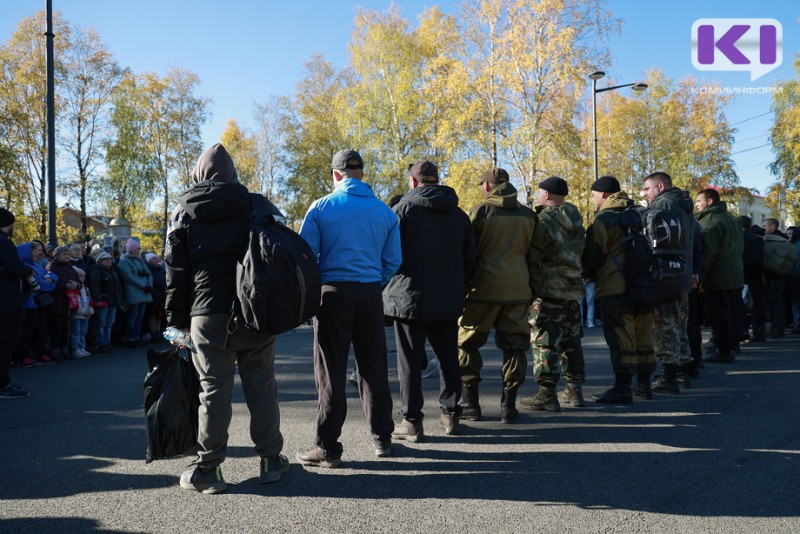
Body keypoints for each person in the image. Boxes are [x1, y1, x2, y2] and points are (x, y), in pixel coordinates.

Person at [165, 143, 288, 494]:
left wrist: (177, 320)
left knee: (213, 389)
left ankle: (209, 469)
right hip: (255, 309)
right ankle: (270, 460)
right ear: (233, 173)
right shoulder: (258, 205)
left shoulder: (183, 210)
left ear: (197, 174)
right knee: (261, 383)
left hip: (206, 311)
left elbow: (175, 271)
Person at [296, 149, 401, 467]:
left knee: (331, 371)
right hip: (370, 293)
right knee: (373, 367)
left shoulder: (321, 207)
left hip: (332, 294)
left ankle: (327, 446)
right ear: (362, 174)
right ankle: (382, 437)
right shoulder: (385, 212)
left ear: (335, 174)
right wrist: (373, 281)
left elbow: (305, 255)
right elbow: (393, 260)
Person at [384, 161, 476, 441]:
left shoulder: (401, 212)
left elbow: (388, 255)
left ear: (413, 182)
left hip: (408, 298)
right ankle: (450, 415)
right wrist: (458, 285)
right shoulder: (458, 215)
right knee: (448, 357)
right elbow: (470, 258)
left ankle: (411, 421)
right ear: (436, 180)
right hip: (447, 297)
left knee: (410, 363)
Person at [457, 167, 538, 423]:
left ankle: (471, 405)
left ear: (488, 186)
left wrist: (462, 285)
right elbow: (535, 257)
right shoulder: (529, 215)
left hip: (483, 289)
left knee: (466, 343)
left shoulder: (480, 212)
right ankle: (509, 407)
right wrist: (533, 290)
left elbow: (468, 253)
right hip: (518, 289)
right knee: (515, 347)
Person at [582, 176, 655, 404]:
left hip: (615, 286)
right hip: (643, 285)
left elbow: (593, 256)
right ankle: (644, 386)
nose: (593, 199)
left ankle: (623, 388)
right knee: (643, 336)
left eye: (594, 194)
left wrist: (587, 273)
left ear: (603, 194)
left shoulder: (605, 218)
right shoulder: (637, 213)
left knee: (620, 337)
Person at [520, 176, 586, 411]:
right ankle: (575, 390)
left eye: (539, 193)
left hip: (548, 291)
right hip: (572, 291)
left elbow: (533, 257)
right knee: (571, 341)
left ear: (546, 195)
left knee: (544, 343)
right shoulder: (577, 221)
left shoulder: (543, 221)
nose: (538, 196)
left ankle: (547, 394)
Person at [640, 172, 696, 395]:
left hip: (666, 275)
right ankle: (681, 372)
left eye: (646, 189)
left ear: (660, 186)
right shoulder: (684, 206)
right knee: (679, 324)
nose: (644, 194)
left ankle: (668, 376)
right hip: (682, 272)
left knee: (666, 326)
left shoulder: (663, 205)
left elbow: (655, 242)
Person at [695, 188, 744, 363]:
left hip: (718, 277)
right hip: (734, 275)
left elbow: (708, 254)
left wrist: (701, 277)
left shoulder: (711, 221)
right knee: (732, 312)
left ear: (709, 202)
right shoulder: (731, 218)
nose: (696, 205)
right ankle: (733, 344)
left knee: (719, 315)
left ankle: (724, 350)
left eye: (699, 201)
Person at [0, 208, 33, 398]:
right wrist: (27, 270)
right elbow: (14, 267)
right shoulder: (3, 242)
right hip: (7, 300)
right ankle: (3, 384)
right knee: (6, 342)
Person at [14, 241, 57, 367]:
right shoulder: (23, 266)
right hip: (28, 304)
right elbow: (42, 285)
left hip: (38, 304)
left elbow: (52, 276)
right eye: (35, 250)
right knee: (27, 331)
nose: (39, 252)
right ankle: (24, 356)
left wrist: (50, 279)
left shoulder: (36, 265)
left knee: (41, 330)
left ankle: (40, 353)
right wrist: (49, 280)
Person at [46, 245, 82, 362]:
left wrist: (76, 285)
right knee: (56, 329)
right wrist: (65, 286)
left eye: (67, 254)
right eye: (64, 254)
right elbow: (50, 286)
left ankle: (64, 351)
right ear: (57, 256)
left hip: (69, 303)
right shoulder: (52, 268)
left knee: (65, 330)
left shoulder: (71, 268)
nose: (67, 256)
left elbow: (79, 282)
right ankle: (55, 352)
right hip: (56, 303)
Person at [117, 239, 153, 348]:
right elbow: (128, 277)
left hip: (144, 292)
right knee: (133, 316)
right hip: (133, 292)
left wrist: (149, 285)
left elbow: (149, 274)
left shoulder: (140, 261)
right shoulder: (124, 261)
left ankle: (137, 337)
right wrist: (144, 286)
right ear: (131, 250)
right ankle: (131, 338)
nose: (139, 250)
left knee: (140, 316)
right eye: (137, 249)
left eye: (139, 248)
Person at [89, 252, 123, 353]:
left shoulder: (113, 270)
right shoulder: (96, 271)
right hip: (103, 300)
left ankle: (107, 342)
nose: (108, 261)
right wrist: (97, 300)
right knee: (101, 323)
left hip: (113, 300)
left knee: (109, 323)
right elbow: (95, 286)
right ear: (100, 261)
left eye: (109, 259)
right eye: (105, 259)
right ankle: (101, 343)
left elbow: (118, 286)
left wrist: (119, 300)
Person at [762, 218, 789, 338]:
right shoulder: (785, 240)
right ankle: (780, 327)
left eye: (765, 226)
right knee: (779, 302)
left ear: (773, 227)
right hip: (783, 275)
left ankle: (775, 327)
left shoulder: (771, 240)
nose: (763, 228)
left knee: (774, 302)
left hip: (772, 276)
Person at [69, 267, 93, 358]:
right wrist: (83, 311)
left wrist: (90, 309)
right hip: (77, 314)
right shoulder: (74, 289)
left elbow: (89, 300)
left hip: (86, 313)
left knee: (83, 331)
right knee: (76, 332)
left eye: (83, 276)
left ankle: (82, 347)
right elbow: (74, 303)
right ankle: (76, 349)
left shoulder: (86, 288)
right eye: (80, 276)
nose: (82, 278)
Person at [144, 253, 167, 343]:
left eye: (156, 258)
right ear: (149, 260)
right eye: (153, 259)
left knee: (159, 314)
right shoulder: (148, 269)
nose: (156, 260)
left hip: (161, 293)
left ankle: (158, 331)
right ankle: (153, 332)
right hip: (153, 293)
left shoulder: (160, 269)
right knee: (152, 314)